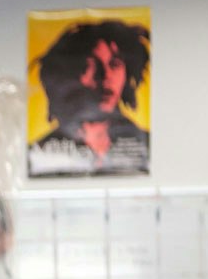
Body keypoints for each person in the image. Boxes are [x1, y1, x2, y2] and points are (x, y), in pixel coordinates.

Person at [29, 19, 151, 175]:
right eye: (91, 64)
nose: (106, 76)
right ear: (70, 73)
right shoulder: (39, 154)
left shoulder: (148, 146)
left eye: (115, 64)